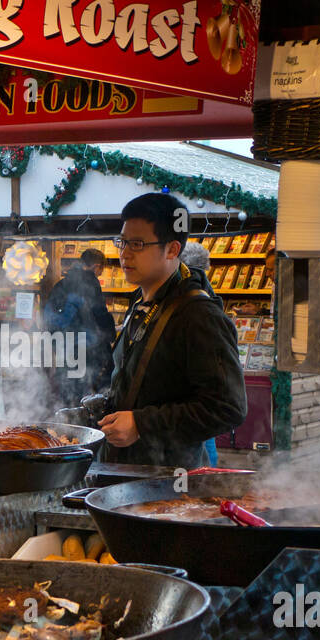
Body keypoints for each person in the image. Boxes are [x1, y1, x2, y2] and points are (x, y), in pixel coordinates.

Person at [99, 193, 246, 467]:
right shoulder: (142, 299)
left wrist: (142, 424)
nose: (124, 253)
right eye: (122, 241)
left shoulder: (198, 314)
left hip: (168, 483)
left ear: (172, 249)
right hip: (127, 471)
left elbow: (228, 408)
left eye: (137, 244)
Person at [44, 250, 116, 399]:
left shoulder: (62, 283)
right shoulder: (90, 282)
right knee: (89, 389)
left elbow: (48, 315)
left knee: (68, 387)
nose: (100, 273)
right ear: (96, 266)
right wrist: (110, 333)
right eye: (101, 269)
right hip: (87, 347)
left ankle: (66, 416)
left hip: (65, 345)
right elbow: (99, 312)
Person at [179, 241, 220, 467]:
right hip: (203, 394)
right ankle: (208, 476)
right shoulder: (208, 297)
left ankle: (204, 480)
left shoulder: (193, 304)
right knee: (207, 439)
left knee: (199, 445)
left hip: (190, 395)